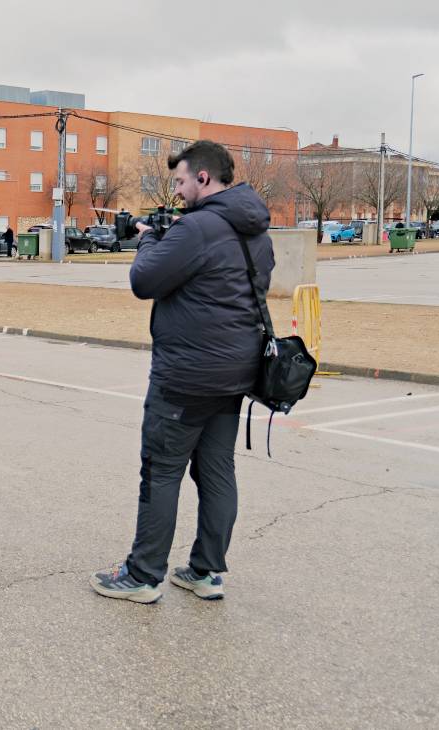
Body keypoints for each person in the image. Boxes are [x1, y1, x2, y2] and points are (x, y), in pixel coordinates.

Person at [91, 140, 274, 604]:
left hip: (187, 376)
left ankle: (142, 575)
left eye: (180, 181)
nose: (177, 191)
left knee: (161, 471)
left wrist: (151, 237)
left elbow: (143, 281)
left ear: (204, 179)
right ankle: (206, 571)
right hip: (235, 372)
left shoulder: (197, 229)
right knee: (217, 472)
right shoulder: (253, 229)